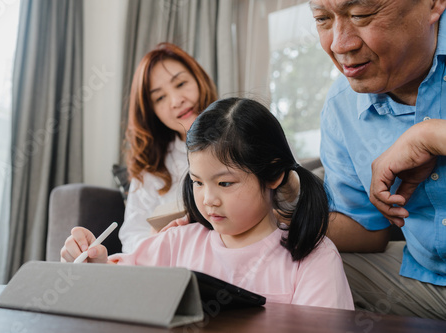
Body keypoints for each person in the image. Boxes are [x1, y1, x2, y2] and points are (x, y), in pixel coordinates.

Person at [61, 97, 354, 310]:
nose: (208, 199)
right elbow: (118, 288)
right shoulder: (175, 243)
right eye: (198, 182)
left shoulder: (313, 258)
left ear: (274, 174)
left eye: (225, 183)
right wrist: (93, 264)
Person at [310, 0, 446, 319]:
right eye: (322, 19)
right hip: (427, 278)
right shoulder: (341, 107)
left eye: (361, 15)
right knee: (297, 264)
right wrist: (274, 212)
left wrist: (429, 136)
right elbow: (367, 230)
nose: (340, 44)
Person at [119, 42, 217, 253]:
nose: (176, 101)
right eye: (160, 97)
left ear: (199, 80)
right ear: (151, 111)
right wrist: (157, 241)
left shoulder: (247, 131)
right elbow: (132, 237)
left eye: (180, 84)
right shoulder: (151, 167)